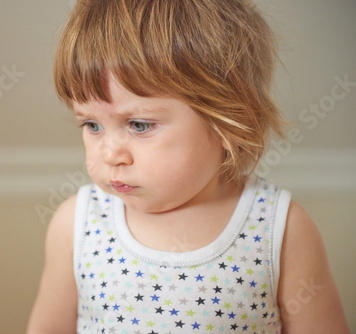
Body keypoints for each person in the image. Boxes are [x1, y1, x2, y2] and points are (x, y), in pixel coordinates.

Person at [27, 0, 350, 333]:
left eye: (139, 125)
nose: (109, 154)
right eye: (92, 125)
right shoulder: (78, 224)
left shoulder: (277, 229)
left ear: (229, 123)